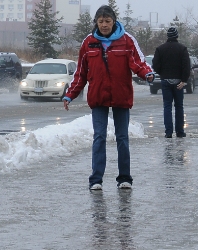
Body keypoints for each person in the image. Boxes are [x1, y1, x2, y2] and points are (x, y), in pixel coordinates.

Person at [62, 5, 154, 190]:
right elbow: (81, 72)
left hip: (121, 95)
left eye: (108, 21)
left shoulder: (127, 40)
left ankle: (124, 178)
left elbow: (138, 62)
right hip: (98, 97)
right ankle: (96, 180)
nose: (104, 25)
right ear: (96, 22)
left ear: (114, 21)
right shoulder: (88, 43)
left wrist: (147, 73)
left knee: (122, 138)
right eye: (101, 21)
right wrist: (70, 94)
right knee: (99, 137)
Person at [152, 27, 190, 138]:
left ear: (167, 36)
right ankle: (180, 131)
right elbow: (186, 66)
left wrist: (163, 74)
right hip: (179, 82)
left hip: (165, 81)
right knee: (179, 106)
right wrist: (183, 80)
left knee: (167, 106)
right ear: (177, 36)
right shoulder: (182, 49)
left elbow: (155, 65)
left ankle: (168, 132)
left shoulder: (160, 49)